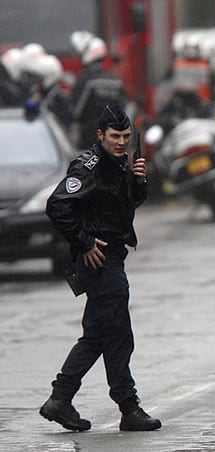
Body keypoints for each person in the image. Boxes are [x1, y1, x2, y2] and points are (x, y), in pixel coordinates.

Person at [40, 101, 160, 432]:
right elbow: (58, 205)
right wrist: (85, 242)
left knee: (96, 335)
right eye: (114, 137)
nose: (121, 142)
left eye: (125, 136)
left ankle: (60, 399)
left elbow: (121, 206)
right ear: (100, 135)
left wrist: (138, 183)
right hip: (100, 261)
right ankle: (129, 407)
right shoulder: (89, 167)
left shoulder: (120, 164)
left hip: (113, 255)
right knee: (118, 336)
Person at [69, 35, 126, 150]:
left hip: (89, 142)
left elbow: (75, 111)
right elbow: (124, 110)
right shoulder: (116, 80)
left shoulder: (86, 80)